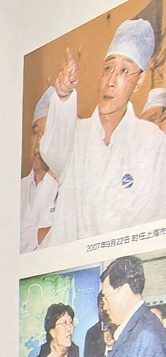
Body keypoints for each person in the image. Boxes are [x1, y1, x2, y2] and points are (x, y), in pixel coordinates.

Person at [38, 20, 166, 244]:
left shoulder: (152, 142)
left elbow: (155, 216)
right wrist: (64, 96)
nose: (111, 81)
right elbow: (53, 152)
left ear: (140, 80)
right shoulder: (76, 134)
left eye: (124, 71)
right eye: (108, 68)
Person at [21, 94, 61, 251]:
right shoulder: (16, 189)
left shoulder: (63, 186)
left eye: (46, 133)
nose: (38, 142)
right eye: (36, 132)